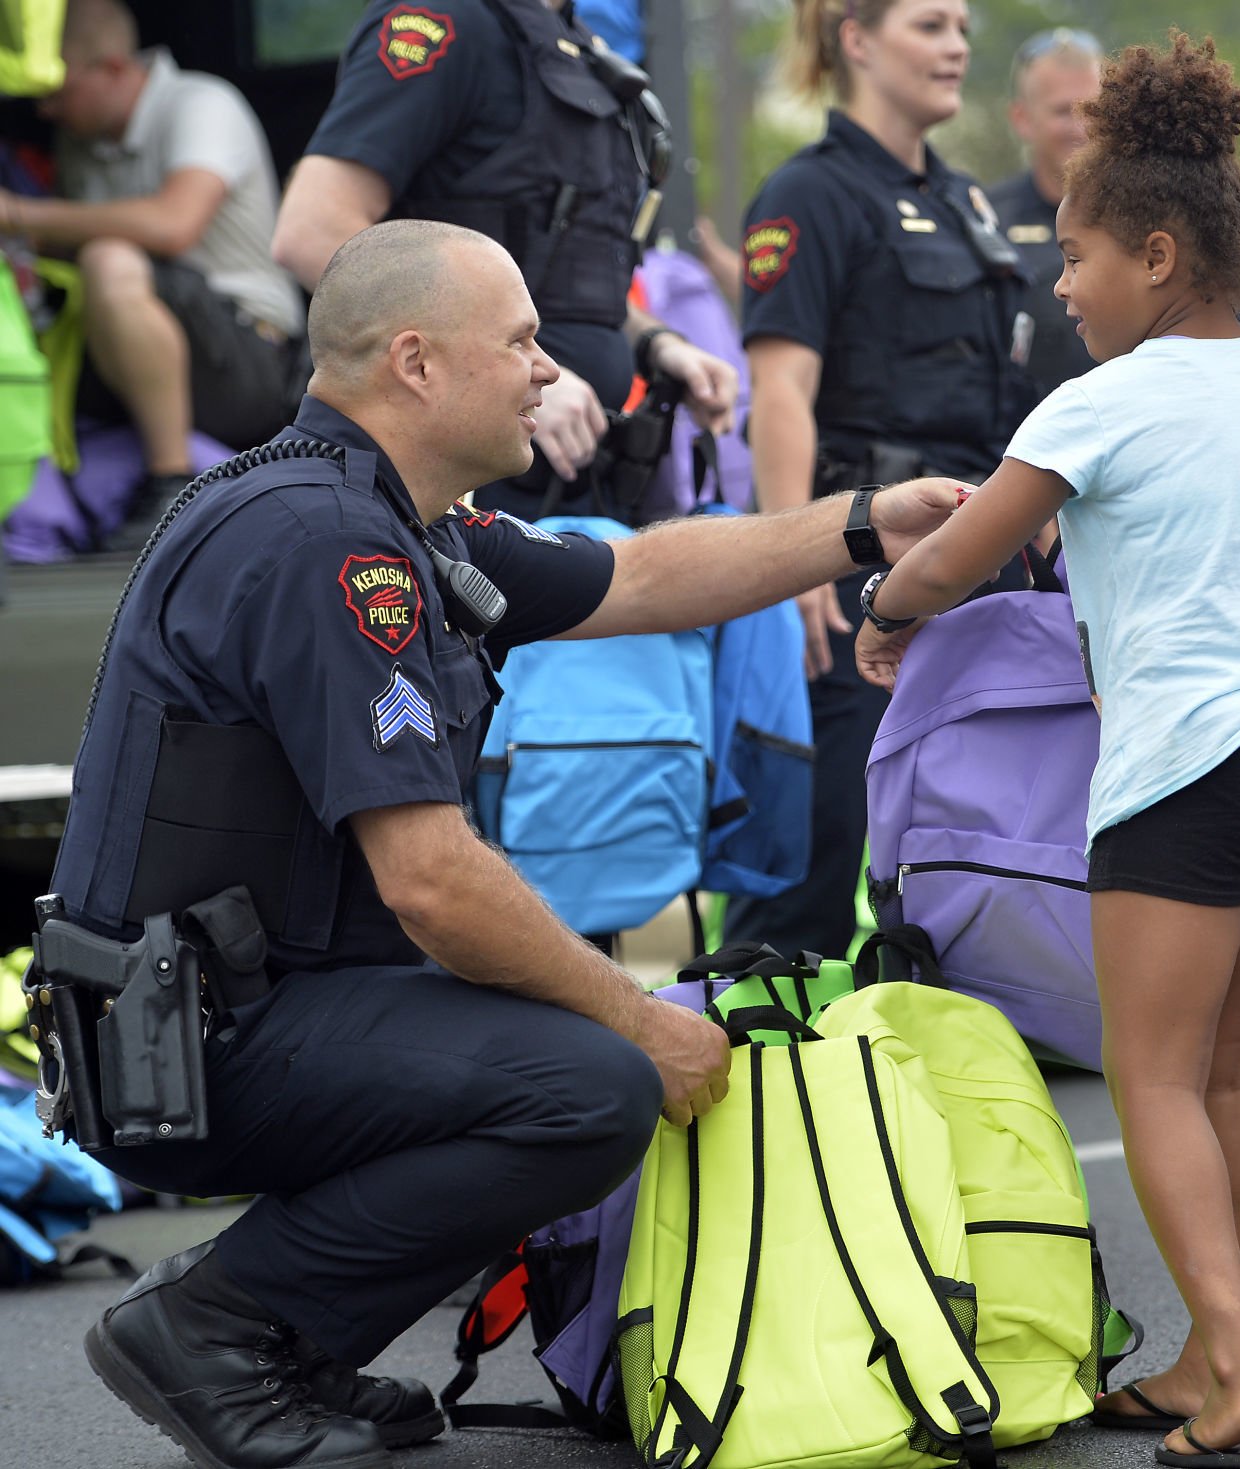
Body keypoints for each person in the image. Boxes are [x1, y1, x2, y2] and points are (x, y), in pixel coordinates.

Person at [53, 218, 964, 1469]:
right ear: (418, 363)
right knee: (593, 1083)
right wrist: (645, 1020)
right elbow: (432, 884)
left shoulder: (388, 514)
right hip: (194, 1045)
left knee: (573, 1050)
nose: (549, 367)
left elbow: (641, 576)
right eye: (524, 340)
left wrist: (864, 524)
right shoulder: (329, 543)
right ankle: (217, 1326)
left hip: (226, 1007)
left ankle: (291, 1353)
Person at [854, 33, 1240, 1464]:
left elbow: (957, 555)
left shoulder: (1094, 405)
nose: (1060, 280)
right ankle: (1211, 1358)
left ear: (1156, 257)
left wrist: (877, 606)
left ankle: (1237, 1362)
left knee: (1152, 1076)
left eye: (1079, 255)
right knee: (1239, 1072)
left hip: (1188, 767)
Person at [721, 0, 1039, 960]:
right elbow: (780, 388)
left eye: (962, 28)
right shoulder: (807, 194)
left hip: (972, 566)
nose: (957, 47)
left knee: (960, 860)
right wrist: (795, 560)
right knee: (819, 860)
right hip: (859, 562)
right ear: (855, 39)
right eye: (930, 26)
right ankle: (766, 1074)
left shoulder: (967, 203)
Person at [270, 0, 737, 523]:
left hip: (569, 482)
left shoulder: (576, 43)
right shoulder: (446, 23)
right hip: (456, 499)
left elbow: (562, 280)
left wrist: (654, 344)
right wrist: (509, 383)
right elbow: (311, 232)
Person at [0, 0, 304, 550]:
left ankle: (171, 482)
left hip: (250, 360)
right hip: (135, 359)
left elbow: (173, 224)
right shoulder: (80, 139)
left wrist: (20, 213)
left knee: (107, 259)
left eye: (56, 90)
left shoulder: (201, 102)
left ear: (113, 69)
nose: (44, 109)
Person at [987, 27, 1102, 396]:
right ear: (1022, 119)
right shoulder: (985, 222)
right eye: (1063, 112)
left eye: (1092, 109)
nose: (1080, 128)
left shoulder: (1154, 219)